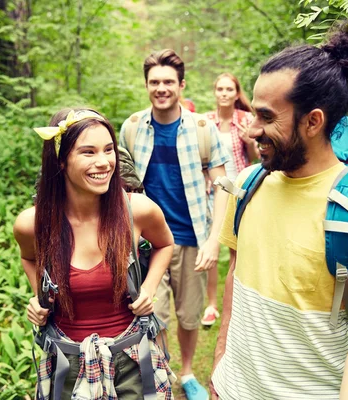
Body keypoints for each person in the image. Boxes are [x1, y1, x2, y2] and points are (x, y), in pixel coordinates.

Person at [211, 27, 348, 399]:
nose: (253, 130)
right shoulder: (250, 183)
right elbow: (235, 276)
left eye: (267, 117)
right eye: (254, 113)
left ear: (313, 121)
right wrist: (221, 367)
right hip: (234, 387)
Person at [13, 108, 176, 399]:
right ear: (61, 161)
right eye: (88, 152)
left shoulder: (136, 210)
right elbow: (30, 257)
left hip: (132, 361)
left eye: (109, 150)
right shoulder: (33, 224)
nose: (103, 162)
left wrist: (149, 290)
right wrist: (39, 295)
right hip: (67, 363)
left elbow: (165, 244)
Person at [120, 49, 229, 400]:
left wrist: (215, 239)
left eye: (168, 82)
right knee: (155, 311)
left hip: (192, 236)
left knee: (189, 314)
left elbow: (224, 184)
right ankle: (163, 368)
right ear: (146, 85)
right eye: (154, 82)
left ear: (181, 85)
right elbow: (121, 183)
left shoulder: (202, 129)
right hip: (147, 241)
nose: (161, 88)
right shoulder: (132, 127)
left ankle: (186, 373)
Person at [202, 73, 258, 327]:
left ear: (237, 94)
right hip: (215, 190)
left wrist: (250, 142)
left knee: (238, 247)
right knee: (211, 244)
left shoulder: (246, 120)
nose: (224, 93)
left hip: (241, 188)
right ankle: (212, 305)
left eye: (229, 89)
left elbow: (256, 158)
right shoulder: (205, 122)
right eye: (220, 89)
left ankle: (240, 303)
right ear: (215, 93)